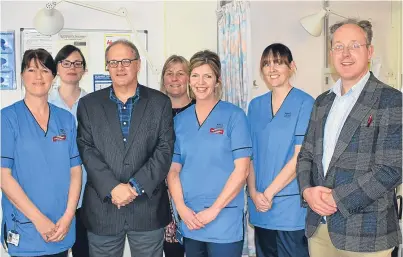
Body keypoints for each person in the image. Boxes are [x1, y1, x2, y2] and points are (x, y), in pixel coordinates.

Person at [297, 19, 402, 257]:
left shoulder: (390, 99)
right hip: (320, 228)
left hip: (367, 233)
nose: (345, 54)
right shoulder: (322, 102)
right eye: (338, 47)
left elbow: (391, 169)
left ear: (369, 51)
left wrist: (336, 198)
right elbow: (306, 155)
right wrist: (306, 191)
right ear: (331, 53)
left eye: (355, 45)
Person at [76, 39, 174, 257]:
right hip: (104, 209)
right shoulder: (89, 105)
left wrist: (135, 187)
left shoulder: (160, 103)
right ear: (107, 67)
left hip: (147, 208)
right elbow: (87, 149)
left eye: (126, 61)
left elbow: (164, 150)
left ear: (138, 64)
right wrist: (113, 188)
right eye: (113, 62)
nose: (120, 67)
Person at [167, 50, 252, 257]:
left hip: (223, 217)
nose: (201, 82)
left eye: (208, 76)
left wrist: (214, 210)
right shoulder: (179, 121)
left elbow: (242, 170)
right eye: (195, 75)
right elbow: (173, 171)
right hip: (191, 218)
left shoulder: (234, 116)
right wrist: (182, 209)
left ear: (217, 80)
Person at [1, 48, 82, 257]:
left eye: (45, 70)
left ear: (53, 77)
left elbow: (75, 171)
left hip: (61, 226)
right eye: (31, 70)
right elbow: (3, 176)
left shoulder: (65, 119)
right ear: (21, 76)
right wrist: (39, 220)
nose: (38, 77)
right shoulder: (8, 119)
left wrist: (68, 216)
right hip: (26, 227)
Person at [247, 43, 314, 257]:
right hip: (260, 205)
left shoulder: (305, 103)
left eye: (279, 63)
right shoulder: (255, 106)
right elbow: (249, 155)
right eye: (266, 64)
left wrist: (268, 193)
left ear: (291, 66)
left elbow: (300, 157)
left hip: (289, 206)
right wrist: (254, 193)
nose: (272, 69)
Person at [48, 44, 89, 257]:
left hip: (88, 196)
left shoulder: (94, 103)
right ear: (57, 68)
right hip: (55, 196)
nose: (72, 67)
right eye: (66, 63)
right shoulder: (45, 103)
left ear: (84, 69)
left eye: (77, 63)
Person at [160, 54, 195, 257]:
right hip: (163, 198)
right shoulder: (154, 111)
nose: (174, 78)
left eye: (180, 73)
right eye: (170, 73)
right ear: (163, 79)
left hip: (194, 191)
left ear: (189, 78)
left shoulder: (200, 109)